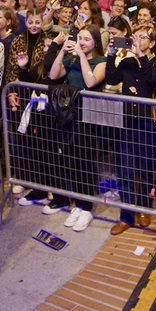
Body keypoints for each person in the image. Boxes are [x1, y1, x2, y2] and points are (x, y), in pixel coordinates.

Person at [45, 24, 107, 232]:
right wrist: (62, 51)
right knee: (71, 159)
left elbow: (90, 82)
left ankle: (87, 207)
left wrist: (81, 56)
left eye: (87, 39)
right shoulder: (70, 59)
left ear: (95, 42)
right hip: (68, 116)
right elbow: (53, 75)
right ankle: (78, 203)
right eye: (79, 38)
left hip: (88, 117)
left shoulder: (101, 62)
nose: (81, 42)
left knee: (85, 162)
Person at [104, 23, 156, 235]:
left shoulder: (155, 61)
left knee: (146, 169)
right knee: (125, 169)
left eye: (144, 37)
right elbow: (111, 79)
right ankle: (126, 215)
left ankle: (145, 209)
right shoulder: (127, 60)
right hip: (126, 120)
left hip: (147, 121)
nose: (138, 40)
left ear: (152, 43)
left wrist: (141, 56)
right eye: (135, 36)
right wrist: (111, 55)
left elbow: (153, 79)